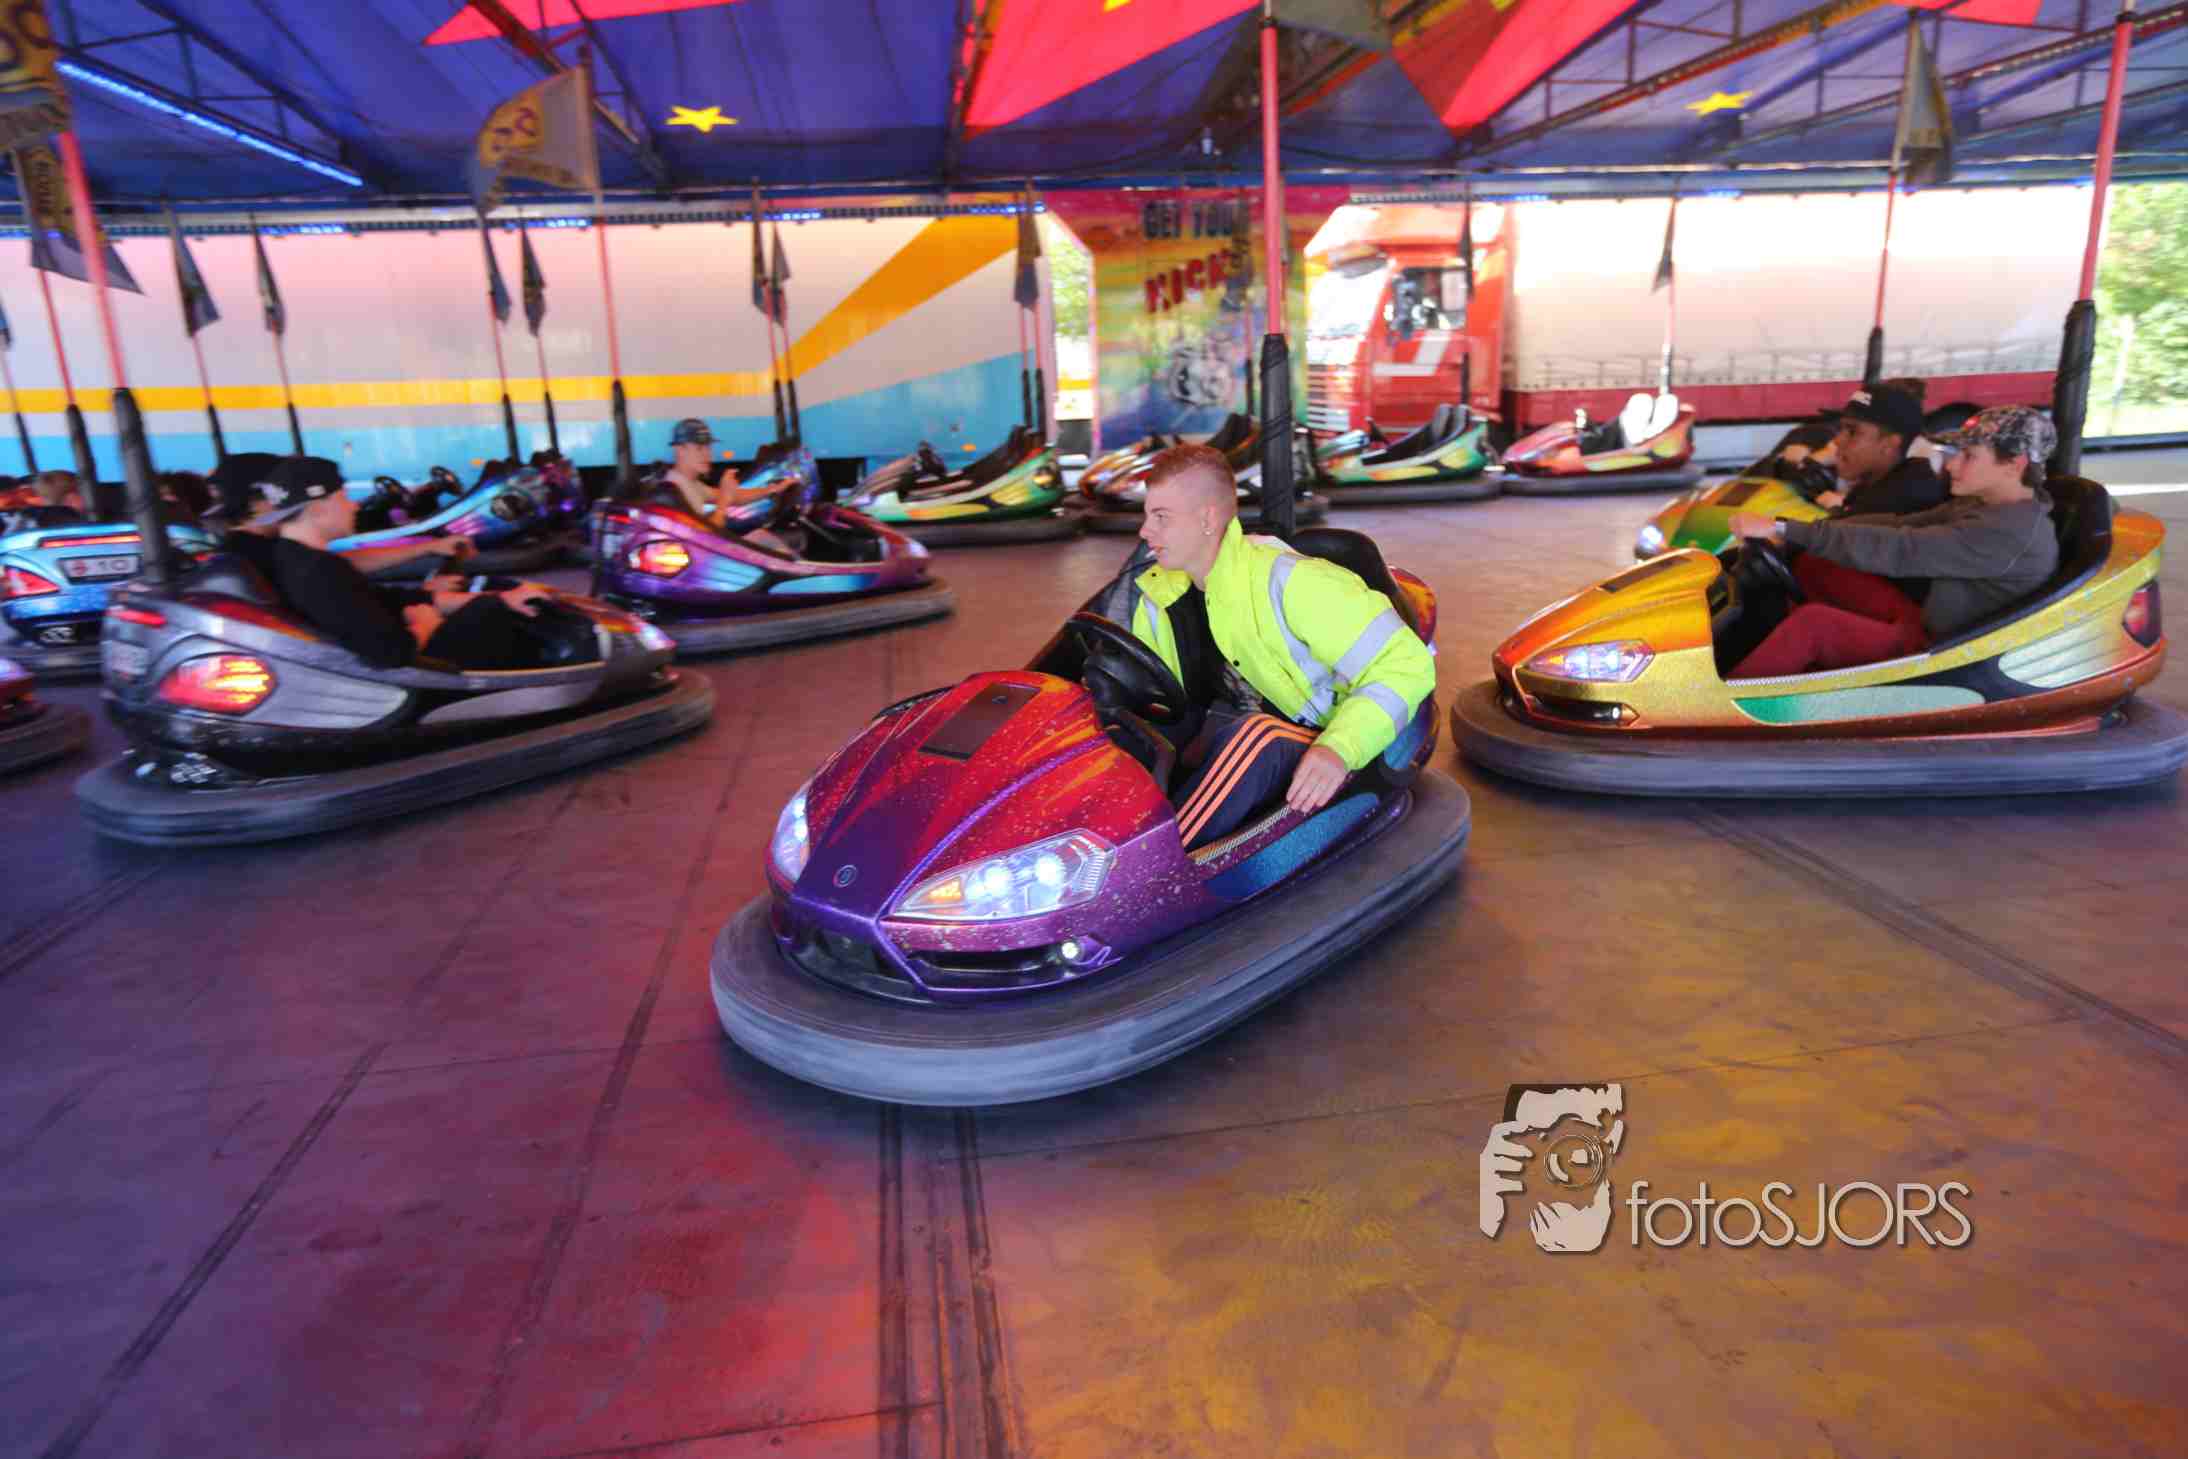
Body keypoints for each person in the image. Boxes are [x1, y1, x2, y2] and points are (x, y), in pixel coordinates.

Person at [1128, 443, 1436, 850]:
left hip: (1325, 731)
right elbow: (1157, 693)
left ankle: (1159, 864)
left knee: (1256, 738)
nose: (1145, 532)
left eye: (1161, 517)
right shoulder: (1158, 596)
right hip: (1228, 725)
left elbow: (1408, 665)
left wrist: (1339, 748)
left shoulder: (1294, 582)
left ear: (1207, 519)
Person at [1725, 406, 2060, 679]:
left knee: (1814, 625)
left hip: (1942, 657)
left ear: (2014, 465)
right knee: (1817, 563)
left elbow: (1900, 547)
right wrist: (1794, 533)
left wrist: (1785, 529)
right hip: (1927, 619)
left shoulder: (2010, 532)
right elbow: (1899, 525)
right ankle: (1793, 663)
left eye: (1969, 456)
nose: (1952, 464)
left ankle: (1724, 714)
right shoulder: (1987, 505)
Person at [222, 472, 556, 671]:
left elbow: (380, 599)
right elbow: (390, 653)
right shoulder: (315, 572)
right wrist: (426, 624)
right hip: (409, 666)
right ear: (319, 508)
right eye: (343, 498)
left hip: (400, 639)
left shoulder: (298, 558)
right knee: (497, 617)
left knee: (493, 602)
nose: (354, 505)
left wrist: (492, 597)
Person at [1808, 382, 1946, 516]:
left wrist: (1836, 510)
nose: (1837, 440)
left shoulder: (1900, 501)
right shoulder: (1876, 484)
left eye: (1852, 432)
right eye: (1840, 428)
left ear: (1889, 445)